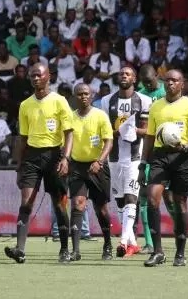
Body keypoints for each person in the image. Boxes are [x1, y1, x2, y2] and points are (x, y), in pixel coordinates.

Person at [4, 63, 73, 263]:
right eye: (32, 75)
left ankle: (64, 249)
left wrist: (66, 159)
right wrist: (18, 166)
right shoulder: (25, 105)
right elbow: (22, 138)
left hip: (54, 156)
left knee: (59, 205)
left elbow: (69, 133)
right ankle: (20, 250)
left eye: (38, 75)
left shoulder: (60, 101)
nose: (35, 78)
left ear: (48, 77)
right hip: (31, 158)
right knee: (26, 204)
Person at [138, 69, 188, 267]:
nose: (170, 84)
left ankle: (180, 252)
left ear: (182, 84)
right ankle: (158, 252)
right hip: (159, 156)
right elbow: (150, 136)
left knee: (180, 203)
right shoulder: (156, 106)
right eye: (167, 80)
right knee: (152, 198)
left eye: (175, 80)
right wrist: (143, 164)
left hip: (182, 156)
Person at [101, 67, 152, 258]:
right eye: (121, 73)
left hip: (134, 158)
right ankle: (132, 242)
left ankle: (122, 242)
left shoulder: (144, 100)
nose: (124, 76)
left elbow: (147, 131)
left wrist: (134, 131)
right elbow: (104, 129)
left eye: (128, 74)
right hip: (113, 157)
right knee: (120, 201)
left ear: (134, 78)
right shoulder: (107, 101)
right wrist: (118, 132)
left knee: (132, 197)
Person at [68, 83, 114, 261]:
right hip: (77, 167)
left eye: (86, 93)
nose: (83, 97)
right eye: (79, 94)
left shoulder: (100, 115)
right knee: (78, 204)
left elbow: (109, 141)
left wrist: (100, 161)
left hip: (98, 167)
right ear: (75, 96)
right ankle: (76, 250)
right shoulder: (70, 117)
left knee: (101, 209)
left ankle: (108, 244)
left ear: (92, 95)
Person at [136, 64, 167, 254]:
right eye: (144, 83)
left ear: (157, 75)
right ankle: (149, 242)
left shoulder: (167, 90)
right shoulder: (139, 95)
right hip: (148, 149)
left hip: (168, 150)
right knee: (145, 196)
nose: (147, 86)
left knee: (172, 198)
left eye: (150, 82)